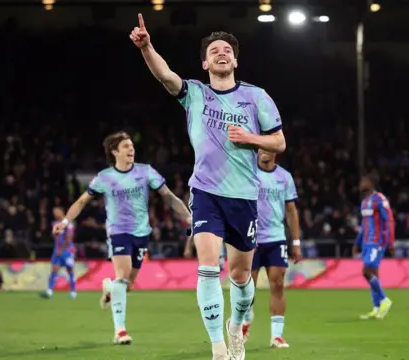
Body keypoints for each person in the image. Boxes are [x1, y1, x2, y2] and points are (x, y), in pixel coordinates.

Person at [131, 14, 286, 360]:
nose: (221, 53)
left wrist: (250, 138)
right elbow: (165, 76)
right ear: (205, 62)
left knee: (241, 277)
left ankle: (235, 328)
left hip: (244, 196)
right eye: (214, 50)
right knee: (207, 265)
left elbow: (278, 143)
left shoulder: (256, 97)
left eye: (227, 50)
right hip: (204, 193)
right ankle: (218, 347)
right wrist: (147, 47)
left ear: (235, 60)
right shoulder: (195, 94)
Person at [52, 131, 191, 345]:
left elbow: (169, 197)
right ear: (114, 151)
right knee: (122, 274)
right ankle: (120, 331)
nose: (131, 149)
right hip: (118, 232)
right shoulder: (105, 177)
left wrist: (187, 216)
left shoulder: (146, 172)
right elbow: (81, 202)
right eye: (126, 146)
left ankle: (109, 288)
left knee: (128, 284)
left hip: (142, 233)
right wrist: (65, 222)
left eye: (132, 146)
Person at [242, 149, 302, 348]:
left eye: (266, 149)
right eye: (259, 150)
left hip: (276, 239)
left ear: (275, 152)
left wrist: (296, 242)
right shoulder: (249, 173)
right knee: (246, 288)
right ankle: (246, 320)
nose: (261, 153)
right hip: (252, 239)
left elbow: (291, 210)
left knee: (278, 284)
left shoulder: (284, 177)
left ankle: (276, 336)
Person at [353, 174, 395, 320]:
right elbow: (364, 226)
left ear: (371, 183)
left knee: (367, 270)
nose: (361, 183)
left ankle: (384, 300)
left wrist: (391, 241)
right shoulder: (364, 203)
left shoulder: (379, 199)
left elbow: (389, 220)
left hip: (377, 241)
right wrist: (357, 243)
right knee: (373, 274)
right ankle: (377, 308)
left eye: (363, 181)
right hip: (366, 242)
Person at [41, 207, 77, 299]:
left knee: (70, 270)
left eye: (57, 212)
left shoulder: (68, 224)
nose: (55, 214)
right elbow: (54, 236)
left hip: (67, 251)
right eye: (54, 212)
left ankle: (73, 292)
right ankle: (49, 291)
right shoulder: (55, 223)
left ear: (62, 212)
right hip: (57, 250)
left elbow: (69, 238)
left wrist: (61, 249)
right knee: (54, 269)